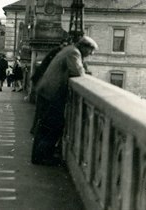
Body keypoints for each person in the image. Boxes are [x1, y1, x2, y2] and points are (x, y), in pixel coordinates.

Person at [31, 35, 98, 166]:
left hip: (47, 91)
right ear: (84, 47)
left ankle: (40, 155)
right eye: (91, 51)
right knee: (53, 125)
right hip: (51, 92)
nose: (91, 54)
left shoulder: (69, 50)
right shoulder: (73, 52)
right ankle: (43, 157)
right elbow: (78, 72)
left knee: (46, 125)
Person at [29, 39, 69, 134]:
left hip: (42, 82)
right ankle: (36, 129)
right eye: (64, 45)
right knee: (43, 110)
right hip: (45, 84)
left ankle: (35, 129)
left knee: (40, 109)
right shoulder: (58, 54)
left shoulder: (56, 52)